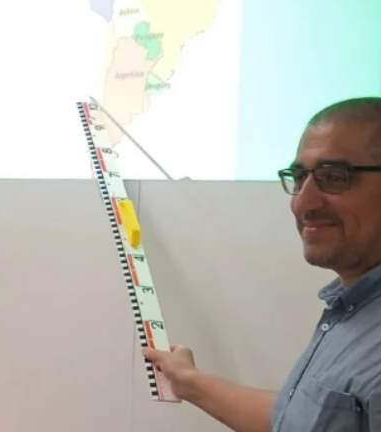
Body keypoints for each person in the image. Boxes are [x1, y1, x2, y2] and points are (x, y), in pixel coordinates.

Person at [143, 96, 381, 432]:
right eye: (299, 177)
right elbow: (301, 420)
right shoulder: (353, 310)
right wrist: (187, 380)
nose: (303, 203)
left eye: (335, 177)